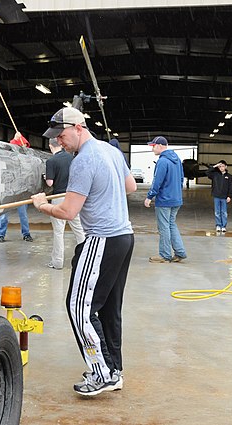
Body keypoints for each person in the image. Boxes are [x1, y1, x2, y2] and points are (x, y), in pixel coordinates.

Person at [31, 107, 137, 396]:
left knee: (80, 308)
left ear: (79, 127)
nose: (60, 142)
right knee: (109, 308)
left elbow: (67, 211)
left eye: (62, 136)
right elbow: (130, 186)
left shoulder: (84, 160)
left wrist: (42, 204)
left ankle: (101, 374)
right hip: (124, 237)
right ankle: (114, 370)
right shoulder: (111, 151)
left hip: (102, 239)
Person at [143, 136, 187, 263]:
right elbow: (181, 179)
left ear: (160, 146)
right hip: (176, 199)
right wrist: (178, 194)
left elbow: (158, 181)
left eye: (153, 146)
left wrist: (150, 196)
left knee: (163, 227)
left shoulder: (162, 161)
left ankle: (165, 255)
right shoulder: (177, 159)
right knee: (171, 225)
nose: (152, 149)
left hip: (164, 200)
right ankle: (180, 252)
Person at [44, 138, 85, 269]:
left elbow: (50, 183)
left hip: (59, 197)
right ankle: (86, 258)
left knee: (58, 231)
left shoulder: (51, 161)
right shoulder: (71, 158)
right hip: (73, 196)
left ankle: (57, 262)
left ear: (50, 146)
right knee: (79, 230)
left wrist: (46, 177)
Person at [0, 131, 33, 242]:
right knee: (3, 215)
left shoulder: (26, 160)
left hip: (21, 191)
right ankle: (1, 234)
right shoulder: (8, 157)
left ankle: (26, 234)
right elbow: (10, 148)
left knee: (23, 215)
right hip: (8, 190)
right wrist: (15, 140)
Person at [206, 160, 232, 233]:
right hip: (216, 196)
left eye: (223, 166)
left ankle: (223, 226)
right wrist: (215, 166)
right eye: (220, 166)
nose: (221, 168)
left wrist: (229, 196)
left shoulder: (229, 176)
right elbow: (207, 172)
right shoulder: (215, 175)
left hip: (224, 197)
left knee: (224, 212)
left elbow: (231, 187)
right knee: (217, 212)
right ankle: (218, 225)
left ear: (226, 167)